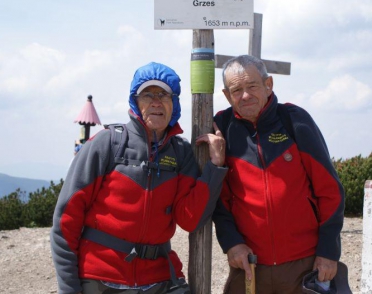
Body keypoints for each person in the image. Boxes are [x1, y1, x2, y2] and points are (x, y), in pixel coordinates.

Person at [51, 62, 227, 294]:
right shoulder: (106, 144)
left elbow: (190, 219)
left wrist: (215, 167)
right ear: (135, 101)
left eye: (164, 94)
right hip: (100, 278)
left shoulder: (181, 153)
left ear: (174, 103)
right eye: (147, 95)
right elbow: (65, 222)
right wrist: (69, 289)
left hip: (158, 279)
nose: (156, 101)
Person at [212, 55, 345, 293]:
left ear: (268, 84)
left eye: (252, 86)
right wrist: (231, 243)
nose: (245, 95)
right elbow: (219, 200)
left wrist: (328, 251)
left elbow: (330, 190)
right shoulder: (221, 127)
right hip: (250, 266)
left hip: (304, 265)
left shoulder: (294, 120)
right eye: (236, 90)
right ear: (226, 95)